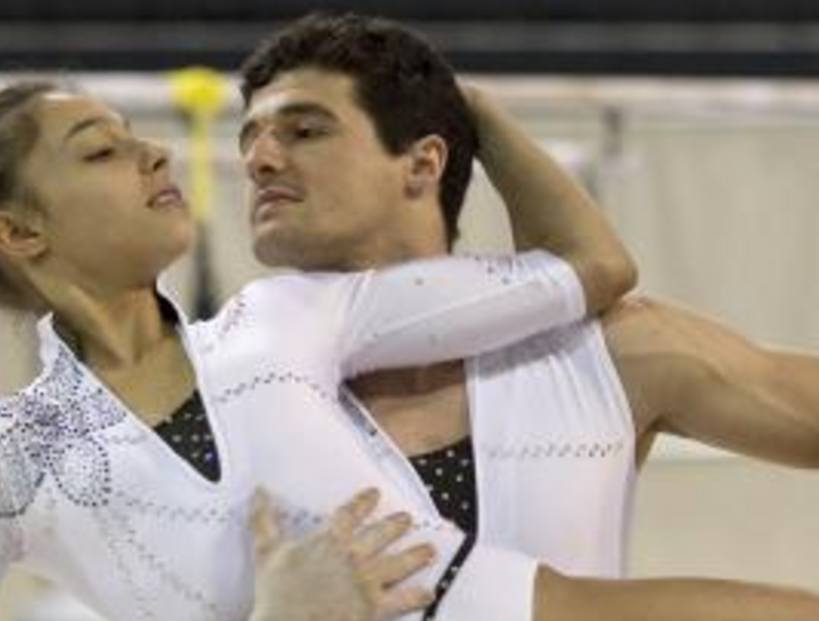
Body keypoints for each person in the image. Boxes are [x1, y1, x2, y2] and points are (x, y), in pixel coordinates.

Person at [0, 74, 634, 620]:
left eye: (131, 134)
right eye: (100, 152)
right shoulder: (1, 449)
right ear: (21, 233)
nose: (151, 151)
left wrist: (462, 104)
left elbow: (591, 269)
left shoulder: (285, 315)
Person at [237, 12, 819, 620]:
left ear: (422, 163)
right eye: (248, 137)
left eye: (303, 131)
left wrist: (471, 112)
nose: (260, 160)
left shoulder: (606, 351)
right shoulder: (227, 383)